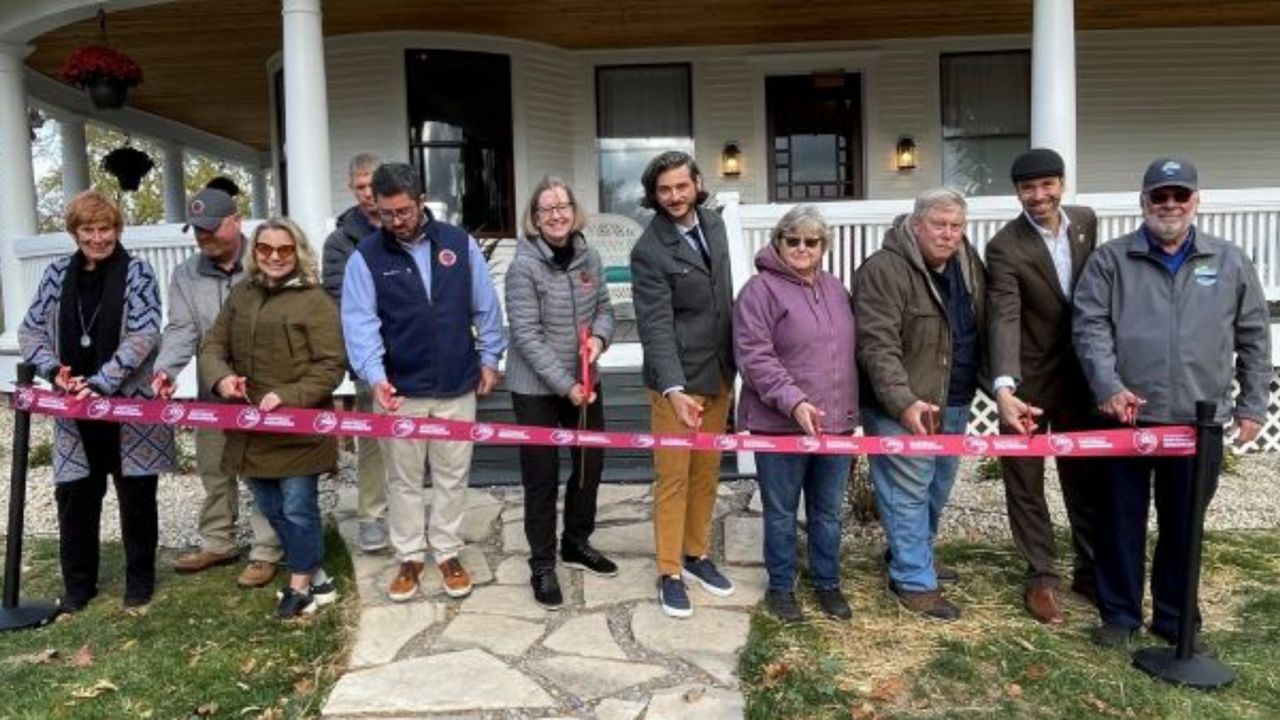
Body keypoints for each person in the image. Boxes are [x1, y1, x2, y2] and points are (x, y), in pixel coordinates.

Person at [1073, 156, 1272, 649]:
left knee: (1185, 525)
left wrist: (1252, 404)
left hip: (1197, 422)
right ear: (1143, 203)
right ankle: (1119, 615)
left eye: (1179, 196)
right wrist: (1108, 388)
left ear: (1195, 202)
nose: (1169, 205)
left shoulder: (1229, 261)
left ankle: (1175, 616)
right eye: (1158, 196)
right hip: (1128, 419)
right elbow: (1090, 328)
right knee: (1120, 523)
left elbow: (1253, 336)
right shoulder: (1111, 260)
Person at [341, 162, 506, 602]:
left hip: (457, 384)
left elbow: (485, 306)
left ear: (420, 200)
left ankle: (448, 551)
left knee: (453, 475)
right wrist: (374, 377)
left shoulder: (459, 244)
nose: (396, 221)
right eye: (386, 213)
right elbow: (360, 324)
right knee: (403, 479)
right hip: (401, 390)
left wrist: (490, 357)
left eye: (404, 211)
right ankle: (410, 556)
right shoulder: (366, 258)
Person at [18, 190, 176, 614]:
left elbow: (145, 334)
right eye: (88, 229)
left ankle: (139, 582)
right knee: (75, 498)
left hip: (129, 405)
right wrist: (56, 372)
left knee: (138, 496)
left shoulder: (139, 274)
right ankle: (78, 587)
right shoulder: (55, 275)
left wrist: (103, 383)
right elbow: (29, 331)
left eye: (105, 229)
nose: (98, 238)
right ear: (75, 233)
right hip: (74, 407)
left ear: (118, 229)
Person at [199, 218, 345, 619]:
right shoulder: (241, 295)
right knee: (271, 506)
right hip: (251, 429)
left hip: (299, 429)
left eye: (284, 249)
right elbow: (213, 345)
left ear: (297, 252)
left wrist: (290, 397)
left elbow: (332, 365)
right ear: (255, 252)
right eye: (266, 249)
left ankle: (299, 587)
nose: (275, 257)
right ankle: (318, 576)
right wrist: (222, 378)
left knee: (298, 507)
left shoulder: (315, 300)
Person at [853, 187, 986, 622]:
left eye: (956, 226)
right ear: (916, 225)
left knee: (937, 487)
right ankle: (913, 579)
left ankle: (913, 555)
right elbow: (877, 345)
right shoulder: (885, 270)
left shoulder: (968, 263)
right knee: (906, 491)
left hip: (956, 398)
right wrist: (903, 402)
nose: (948, 235)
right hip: (904, 405)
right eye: (939, 225)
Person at [985, 148, 1100, 624]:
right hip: (1028, 379)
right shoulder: (1005, 246)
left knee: (1086, 478)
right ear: (1017, 193)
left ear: (1062, 184)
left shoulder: (1086, 222)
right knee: (1026, 482)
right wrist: (1005, 387)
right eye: (1028, 189)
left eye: (1047, 185)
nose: (1039, 196)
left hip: (1083, 377)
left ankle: (1091, 571)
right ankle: (1041, 577)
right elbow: (1005, 315)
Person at [152, 188, 283, 589]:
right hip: (212, 390)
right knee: (214, 468)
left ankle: (266, 550)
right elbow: (181, 329)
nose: (205, 237)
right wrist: (165, 370)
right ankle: (218, 542)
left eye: (212, 229)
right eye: (198, 231)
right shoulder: (186, 274)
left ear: (235, 221)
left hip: (264, 392)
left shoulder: (265, 263)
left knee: (264, 469)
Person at [733, 204, 857, 622]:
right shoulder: (759, 290)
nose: (802, 248)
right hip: (780, 425)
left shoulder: (836, 289)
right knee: (782, 512)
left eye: (812, 241)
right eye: (794, 240)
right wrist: (793, 401)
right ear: (778, 242)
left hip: (835, 425)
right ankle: (782, 587)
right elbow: (754, 356)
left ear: (824, 246)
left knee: (827, 512)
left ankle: (827, 583)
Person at [630, 150, 736, 618]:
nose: (674, 197)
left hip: (718, 373)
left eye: (681, 186)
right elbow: (654, 326)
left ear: (696, 183)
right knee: (673, 477)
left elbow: (723, 295)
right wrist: (673, 389)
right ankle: (669, 571)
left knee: (706, 471)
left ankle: (696, 554)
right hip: (675, 383)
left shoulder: (714, 225)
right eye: (664, 189)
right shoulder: (648, 250)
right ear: (654, 194)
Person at [505, 176, 617, 609]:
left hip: (586, 382)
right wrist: (565, 385)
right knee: (542, 477)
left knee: (590, 465)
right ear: (534, 219)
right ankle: (542, 563)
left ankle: (576, 542)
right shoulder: (523, 267)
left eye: (562, 206)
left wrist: (600, 342)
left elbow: (606, 308)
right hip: (537, 387)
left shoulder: (589, 255)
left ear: (574, 210)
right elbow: (528, 337)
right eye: (546, 209)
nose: (556, 214)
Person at [322, 152, 389, 553]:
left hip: (413, 352)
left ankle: (409, 512)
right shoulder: (340, 241)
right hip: (369, 355)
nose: (367, 194)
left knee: (416, 439)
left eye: (373, 185)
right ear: (352, 188)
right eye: (360, 186)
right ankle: (371, 516)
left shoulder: (405, 226)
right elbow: (338, 298)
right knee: (374, 439)